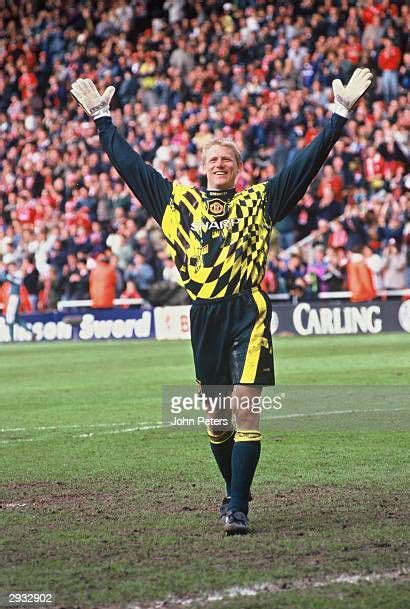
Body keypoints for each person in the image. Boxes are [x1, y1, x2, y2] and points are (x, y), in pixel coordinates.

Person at [71, 68, 372, 535]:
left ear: (237, 167)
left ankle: (237, 507)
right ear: (202, 165)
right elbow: (130, 168)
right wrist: (102, 119)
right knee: (216, 418)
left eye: (226, 159)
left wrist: (338, 115)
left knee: (245, 405)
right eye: (212, 158)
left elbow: (307, 163)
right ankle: (236, 489)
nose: (219, 164)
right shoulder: (177, 203)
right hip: (204, 315)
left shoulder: (260, 201)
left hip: (247, 311)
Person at [0, 261, 36, 341]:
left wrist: (3, 270)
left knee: (10, 318)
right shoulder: (15, 274)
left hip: (14, 297)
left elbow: (4, 278)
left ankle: (11, 338)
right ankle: (31, 332)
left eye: (11, 267)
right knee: (16, 319)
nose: (10, 268)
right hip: (13, 297)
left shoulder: (17, 274)